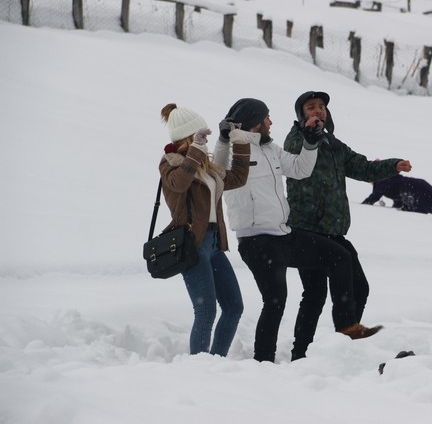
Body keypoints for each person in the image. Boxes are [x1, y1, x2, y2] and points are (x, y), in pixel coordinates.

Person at [213, 98, 382, 363]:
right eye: (267, 117)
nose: (271, 121)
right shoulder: (236, 149)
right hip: (256, 241)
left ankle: (346, 331)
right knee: (275, 301)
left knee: (340, 256)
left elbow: (301, 170)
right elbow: (219, 172)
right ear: (255, 123)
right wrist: (223, 140)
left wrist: (310, 142)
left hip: (284, 236)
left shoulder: (270, 149)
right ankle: (263, 362)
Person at [283, 90, 412, 334]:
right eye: (311, 107)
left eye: (321, 106)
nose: (318, 110)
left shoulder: (334, 144)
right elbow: (293, 158)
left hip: (332, 232)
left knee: (358, 287)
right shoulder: (296, 139)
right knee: (314, 295)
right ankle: (303, 351)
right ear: (302, 115)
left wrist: (392, 165)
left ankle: (346, 338)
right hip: (306, 230)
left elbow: (361, 167)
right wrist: (309, 133)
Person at [158, 103, 250, 357]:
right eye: (200, 134)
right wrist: (196, 151)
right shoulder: (170, 165)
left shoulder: (206, 168)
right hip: (192, 245)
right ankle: (198, 368)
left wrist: (239, 142)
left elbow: (238, 178)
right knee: (206, 311)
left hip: (214, 245)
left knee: (233, 307)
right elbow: (179, 184)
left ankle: (216, 361)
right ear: (188, 137)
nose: (206, 138)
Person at [362, 173, 432, 214]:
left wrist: (363, 205)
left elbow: (375, 196)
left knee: (418, 210)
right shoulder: (387, 178)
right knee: (424, 207)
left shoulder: (381, 180)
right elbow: (397, 196)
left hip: (411, 187)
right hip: (413, 185)